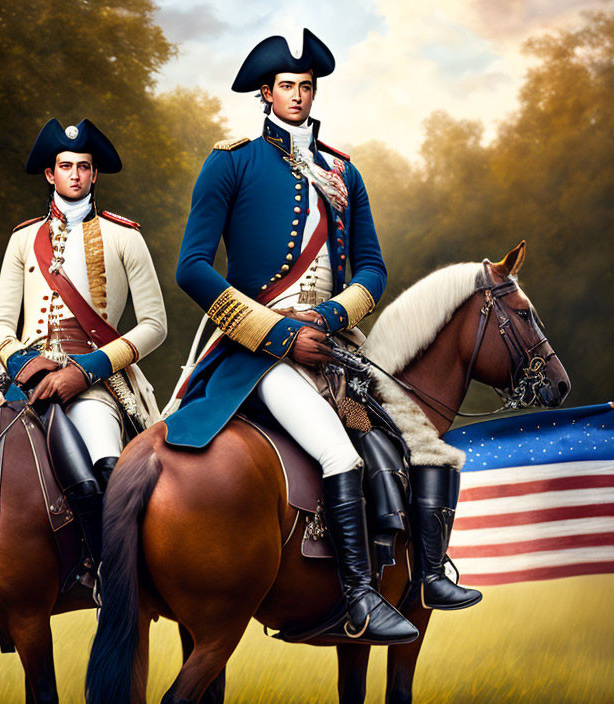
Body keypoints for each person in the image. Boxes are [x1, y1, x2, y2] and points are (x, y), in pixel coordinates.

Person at [166, 29, 479, 643]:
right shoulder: (230, 162)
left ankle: (427, 575)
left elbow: (372, 269)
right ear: (266, 93)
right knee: (340, 453)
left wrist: (332, 319)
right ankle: (360, 599)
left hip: (335, 342)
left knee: (421, 439)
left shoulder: (343, 171)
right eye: (288, 86)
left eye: (307, 87)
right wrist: (278, 333)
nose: (299, 96)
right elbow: (192, 268)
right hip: (257, 351)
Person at [0, 118, 167, 579]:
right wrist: (23, 361)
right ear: (50, 174)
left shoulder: (126, 235)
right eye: (65, 166)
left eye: (83, 167)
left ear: (94, 174)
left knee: (104, 458)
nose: (74, 175)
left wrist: (87, 370)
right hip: (23, 373)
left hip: (95, 379)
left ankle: (108, 571)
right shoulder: (23, 238)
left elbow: (154, 326)